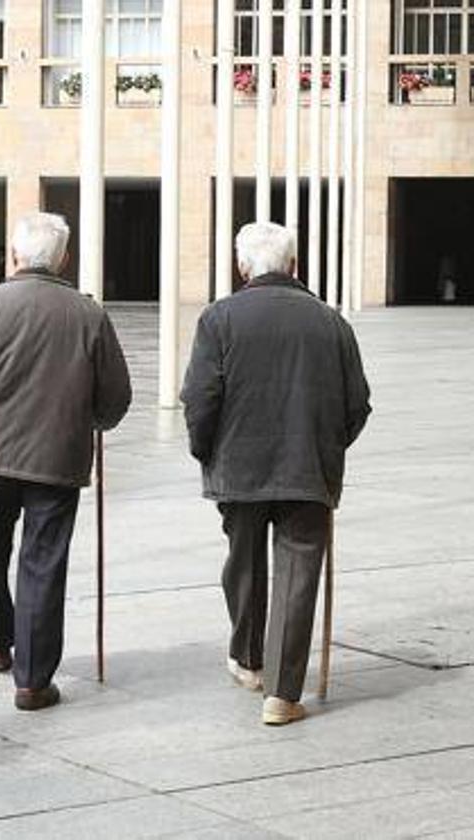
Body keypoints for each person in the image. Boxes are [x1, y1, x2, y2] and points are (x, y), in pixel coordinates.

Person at [0, 212, 132, 711]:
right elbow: (116, 396)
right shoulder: (88, 315)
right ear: (63, 258)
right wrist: (94, 421)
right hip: (57, 459)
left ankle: (0, 642)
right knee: (43, 566)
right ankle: (32, 679)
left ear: (15, 255)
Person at [181, 222, 371, 727]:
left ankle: (248, 660)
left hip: (239, 467)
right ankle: (283, 694)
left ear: (243, 267)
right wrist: (326, 448)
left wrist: (207, 452)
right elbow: (358, 405)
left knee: (243, 563)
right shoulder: (331, 323)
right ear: (293, 265)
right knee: (298, 574)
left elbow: (200, 398)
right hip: (308, 468)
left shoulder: (219, 318)